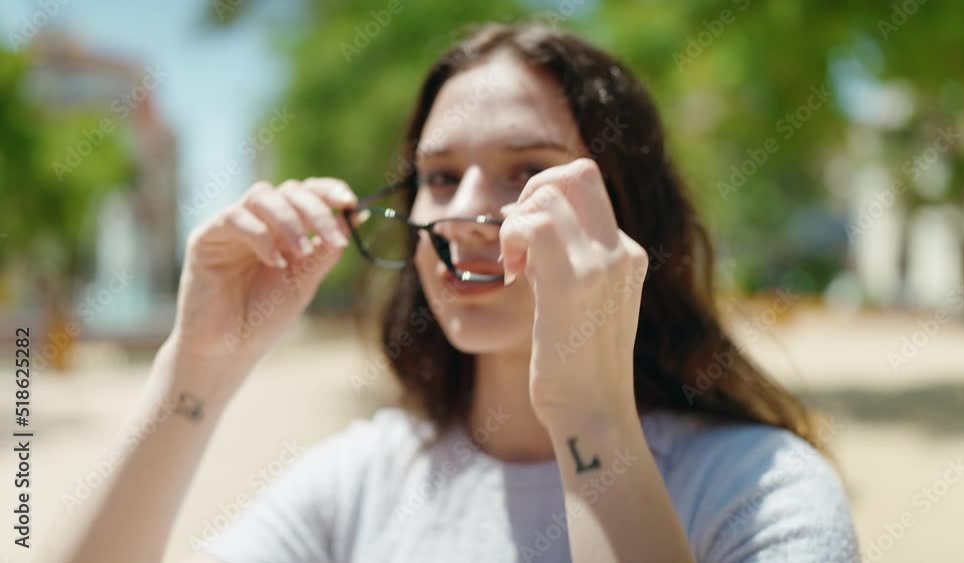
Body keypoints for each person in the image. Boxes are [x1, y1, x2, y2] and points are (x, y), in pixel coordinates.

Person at [44, 22, 859, 563]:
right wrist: (197, 369)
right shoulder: (364, 481)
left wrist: (588, 413)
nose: (466, 208)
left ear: (630, 216)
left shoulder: (758, 492)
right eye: (439, 175)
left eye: (529, 170)